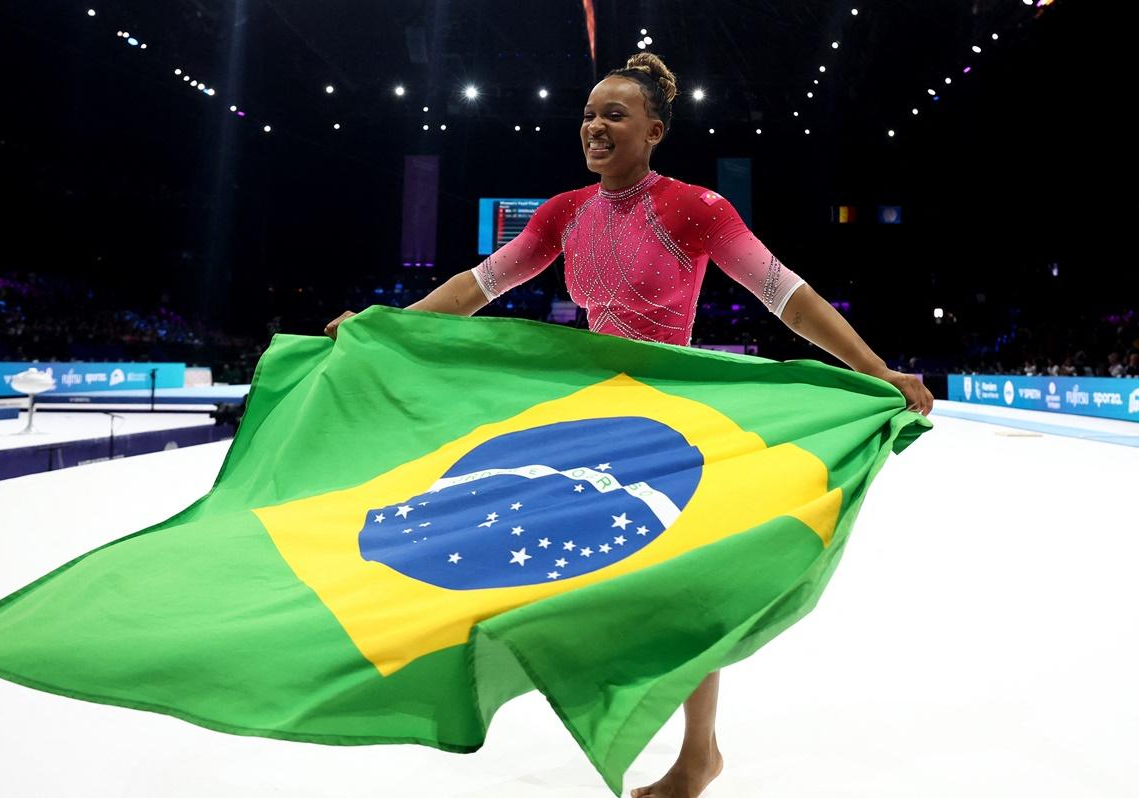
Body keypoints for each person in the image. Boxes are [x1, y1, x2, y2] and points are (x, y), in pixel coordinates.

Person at [326, 51, 934, 798]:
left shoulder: (696, 208)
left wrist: (876, 370)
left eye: (614, 115)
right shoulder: (563, 213)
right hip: (592, 416)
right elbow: (475, 289)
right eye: (588, 115)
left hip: (669, 421)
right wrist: (384, 327)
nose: (595, 127)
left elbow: (787, 296)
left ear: (654, 130)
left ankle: (694, 757)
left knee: (680, 587)